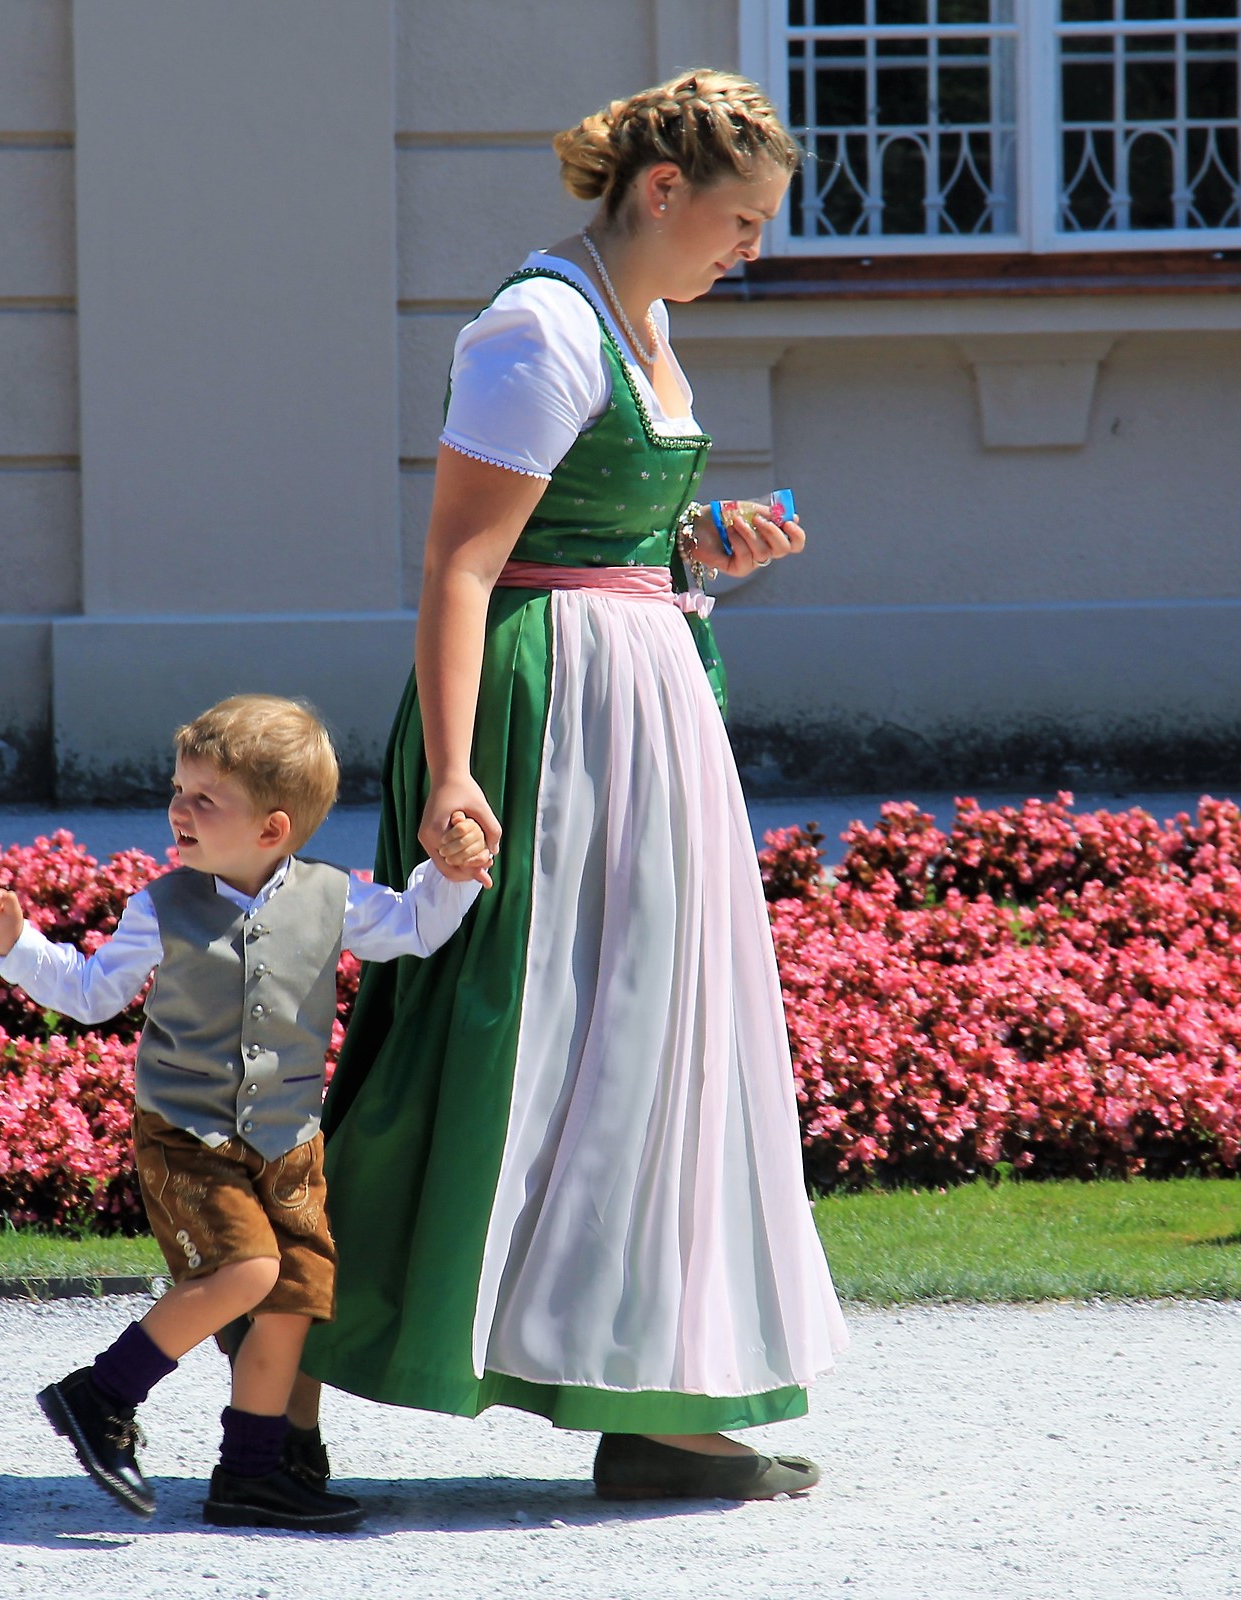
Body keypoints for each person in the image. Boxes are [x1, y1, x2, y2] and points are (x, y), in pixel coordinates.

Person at [297, 69, 849, 1502]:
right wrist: (453, 774)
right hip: (542, 722)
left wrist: (700, 546)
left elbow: (607, 538)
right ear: (662, 192)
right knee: (473, 1036)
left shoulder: (645, 324)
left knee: (651, 1047)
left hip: (642, 713)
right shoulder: (539, 326)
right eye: (742, 220)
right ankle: (275, 1386)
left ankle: (653, 1404)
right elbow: (462, 563)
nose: (753, 248)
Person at [0, 694, 489, 1531]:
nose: (179, 808)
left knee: (293, 1299)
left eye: (205, 798)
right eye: (179, 789)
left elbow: (417, 927)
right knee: (246, 1273)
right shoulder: (162, 905)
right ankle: (99, 1396)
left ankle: (250, 1475)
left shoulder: (332, 897)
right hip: (187, 1138)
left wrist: (452, 875)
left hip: (289, 1145)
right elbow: (92, 992)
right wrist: (13, 945)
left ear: (273, 828)